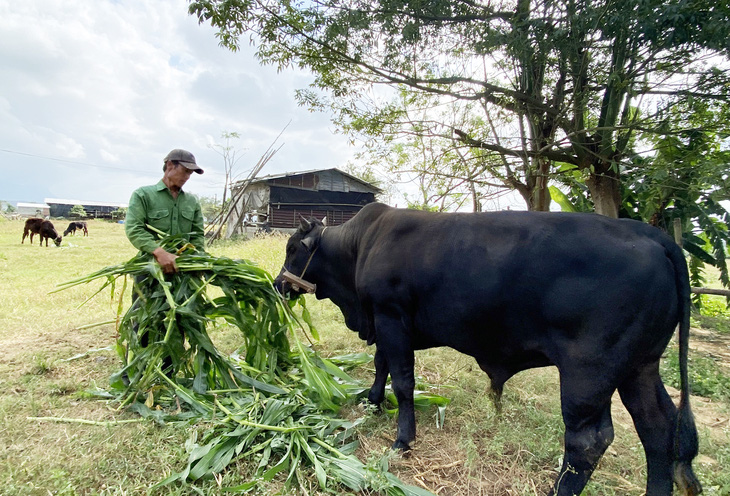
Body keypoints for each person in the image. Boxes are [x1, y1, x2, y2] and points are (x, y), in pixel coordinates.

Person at [125, 148, 206, 272]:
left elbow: (198, 235)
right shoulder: (143, 195)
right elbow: (134, 229)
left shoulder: (192, 201)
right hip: (150, 268)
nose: (187, 177)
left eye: (190, 173)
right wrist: (159, 252)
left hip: (184, 269)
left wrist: (196, 259)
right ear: (170, 165)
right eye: (185, 171)